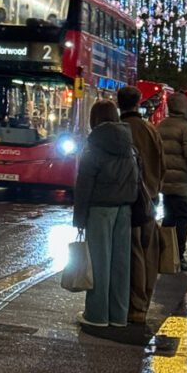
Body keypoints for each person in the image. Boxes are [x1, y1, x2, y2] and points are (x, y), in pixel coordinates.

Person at [72, 99, 139, 331]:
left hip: (100, 209)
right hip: (125, 209)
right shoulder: (129, 145)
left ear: (95, 119)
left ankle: (97, 315)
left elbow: (84, 184)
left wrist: (79, 219)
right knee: (121, 264)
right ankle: (118, 316)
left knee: (99, 262)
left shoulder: (94, 146)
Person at [117, 85, 165, 324]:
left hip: (131, 199)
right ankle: (143, 302)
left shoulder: (120, 130)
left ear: (119, 104)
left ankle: (134, 306)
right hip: (151, 199)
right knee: (149, 253)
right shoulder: (151, 129)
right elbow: (162, 164)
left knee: (133, 252)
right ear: (138, 104)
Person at [157, 91, 187, 270]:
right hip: (182, 182)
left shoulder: (160, 126)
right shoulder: (186, 129)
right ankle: (178, 257)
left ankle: (165, 255)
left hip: (165, 182)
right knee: (183, 217)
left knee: (169, 218)